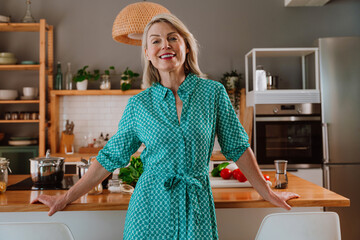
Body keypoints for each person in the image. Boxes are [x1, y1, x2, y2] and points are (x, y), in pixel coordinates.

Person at [32, 13, 299, 239]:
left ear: (186, 46)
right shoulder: (139, 105)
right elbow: (109, 159)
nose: (165, 45)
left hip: (196, 206)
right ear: (148, 53)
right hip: (148, 209)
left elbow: (238, 147)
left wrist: (267, 192)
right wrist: (65, 198)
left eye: (172, 37)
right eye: (155, 41)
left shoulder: (213, 93)